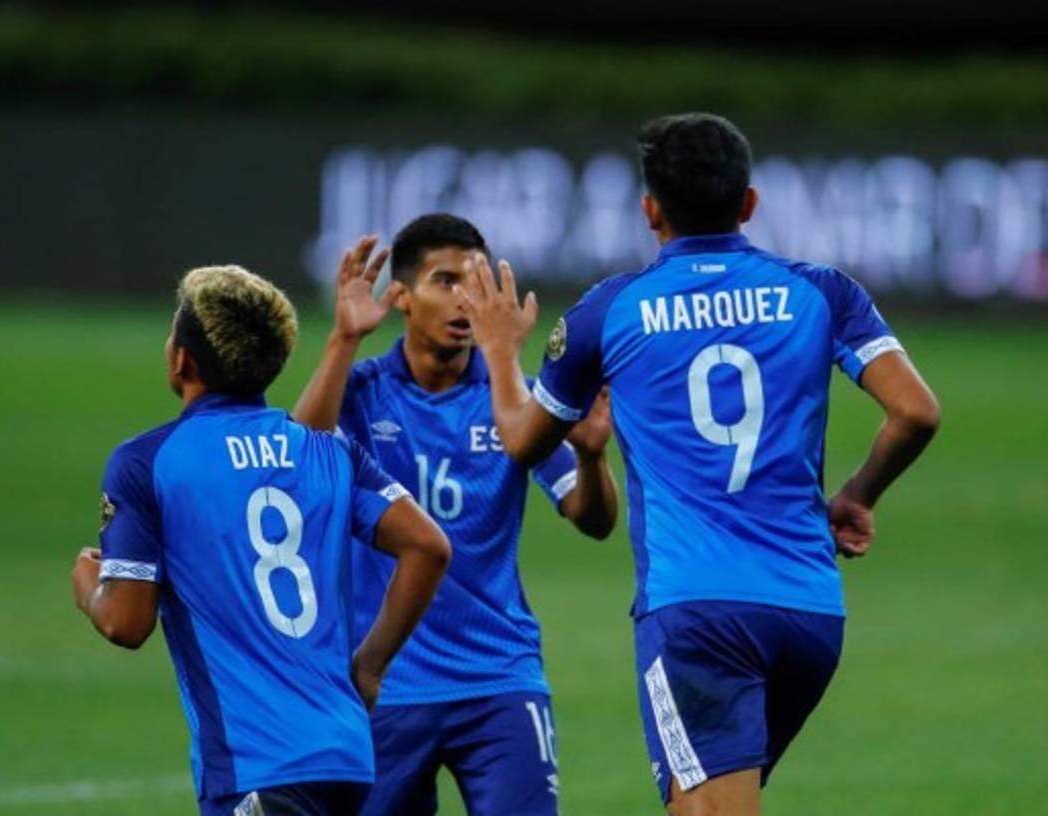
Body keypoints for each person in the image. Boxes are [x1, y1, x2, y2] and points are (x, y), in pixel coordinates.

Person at [457, 113, 941, 816]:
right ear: (749, 203)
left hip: (697, 611)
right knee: (697, 803)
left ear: (650, 210)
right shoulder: (820, 292)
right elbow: (917, 411)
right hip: (809, 610)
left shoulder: (610, 311)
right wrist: (859, 493)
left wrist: (501, 353)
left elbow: (524, 443)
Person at [71, 265, 450, 816]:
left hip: (256, 766)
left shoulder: (147, 462)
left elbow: (125, 622)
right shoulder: (327, 452)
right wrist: (369, 666)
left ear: (182, 359)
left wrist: (89, 586)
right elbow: (428, 545)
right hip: (346, 759)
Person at [292, 214, 619, 816]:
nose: (465, 299)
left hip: (500, 676)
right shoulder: (362, 394)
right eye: (445, 282)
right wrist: (343, 339)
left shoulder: (514, 400)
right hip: (386, 680)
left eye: (476, 283)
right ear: (402, 299)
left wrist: (595, 460)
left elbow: (592, 517)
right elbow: (300, 460)